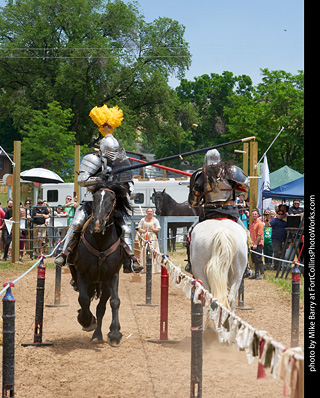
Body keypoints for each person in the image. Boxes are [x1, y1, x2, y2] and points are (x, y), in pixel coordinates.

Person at [54, 104, 143, 274]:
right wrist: (102, 179)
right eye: (110, 151)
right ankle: (64, 255)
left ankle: (130, 260)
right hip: (91, 201)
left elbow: (127, 184)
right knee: (78, 222)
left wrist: (118, 184)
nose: (112, 154)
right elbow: (82, 180)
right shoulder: (92, 160)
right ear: (103, 150)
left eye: (115, 151)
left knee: (124, 229)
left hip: (111, 204)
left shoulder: (121, 162)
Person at [185, 148, 249, 272]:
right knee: (246, 234)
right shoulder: (231, 171)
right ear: (219, 159)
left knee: (190, 233)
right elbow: (247, 184)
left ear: (206, 159)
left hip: (210, 212)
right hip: (230, 212)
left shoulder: (202, 174)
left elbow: (194, 202)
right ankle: (246, 266)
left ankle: (191, 264)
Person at [138, 208, 161, 272]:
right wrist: (142, 230)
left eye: (151, 211)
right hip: (145, 237)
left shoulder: (155, 220)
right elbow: (139, 227)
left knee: (152, 251)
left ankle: (153, 268)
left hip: (152, 237)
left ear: (153, 213)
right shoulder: (143, 220)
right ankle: (144, 268)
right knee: (144, 251)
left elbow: (158, 229)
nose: (150, 213)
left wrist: (153, 229)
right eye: (148, 211)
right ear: (146, 212)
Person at [249, 209, 265, 279]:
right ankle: (256, 273)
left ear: (258, 215)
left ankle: (262, 273)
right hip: (252, 243)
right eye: (253, 214)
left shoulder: (260, 224)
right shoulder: (252, 224)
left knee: (259, 259)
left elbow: (259, 235)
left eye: (255, 214)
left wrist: (256, 244)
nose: (254, 215)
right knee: (254, 259)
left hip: (258, 244)